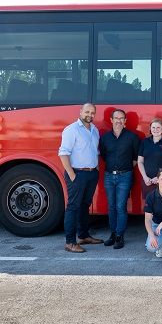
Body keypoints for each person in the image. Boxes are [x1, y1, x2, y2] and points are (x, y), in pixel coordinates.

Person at [58, 103, 102, 253]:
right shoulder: (72, 130)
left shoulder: (94, 130)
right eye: (87, 112)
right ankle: (70, 242)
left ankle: (83, 236)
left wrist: (96, 169)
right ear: (81, 112)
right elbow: (63, 153)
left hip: (91, 174)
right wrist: (71, 174)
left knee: (85, 206)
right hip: (77, 173)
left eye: (92, 112)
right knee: (73, 207)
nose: (89, 115)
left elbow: (95, 151)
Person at [99, 109, 140, 249]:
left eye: (121, 118)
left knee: (120, 207)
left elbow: (136, 157)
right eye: (116, 118)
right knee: (111, 206)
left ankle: (120, 236)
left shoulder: (132, 137)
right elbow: (104, 156)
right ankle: (113, 233)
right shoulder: (104, 138)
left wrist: (126, 168)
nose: (118, 121)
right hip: (109, 176)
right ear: (111, 120)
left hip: (125, 176)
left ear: (125, 121)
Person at [137, 118, 162, 201]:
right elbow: (140, 161)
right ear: (150, 128)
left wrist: (159, 177)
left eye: (158, 127)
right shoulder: (145, 142)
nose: (155, 130)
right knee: (149, 206)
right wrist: (145, 177)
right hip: (148, 181)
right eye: (153, 127)